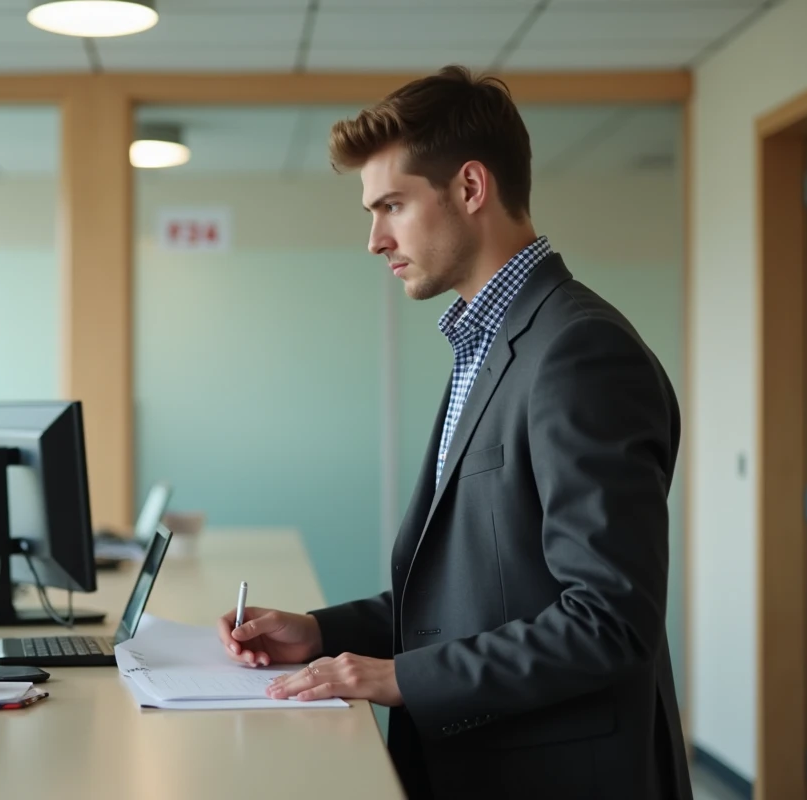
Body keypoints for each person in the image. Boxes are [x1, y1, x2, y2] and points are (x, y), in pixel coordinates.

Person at [217, 66, 690, 799]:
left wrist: (400, 676)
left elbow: (608, 621)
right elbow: (476, 597)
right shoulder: (491, 342)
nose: (375, 240)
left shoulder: (580, 352)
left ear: (470, 188)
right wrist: (320, 632)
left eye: (392, 206)